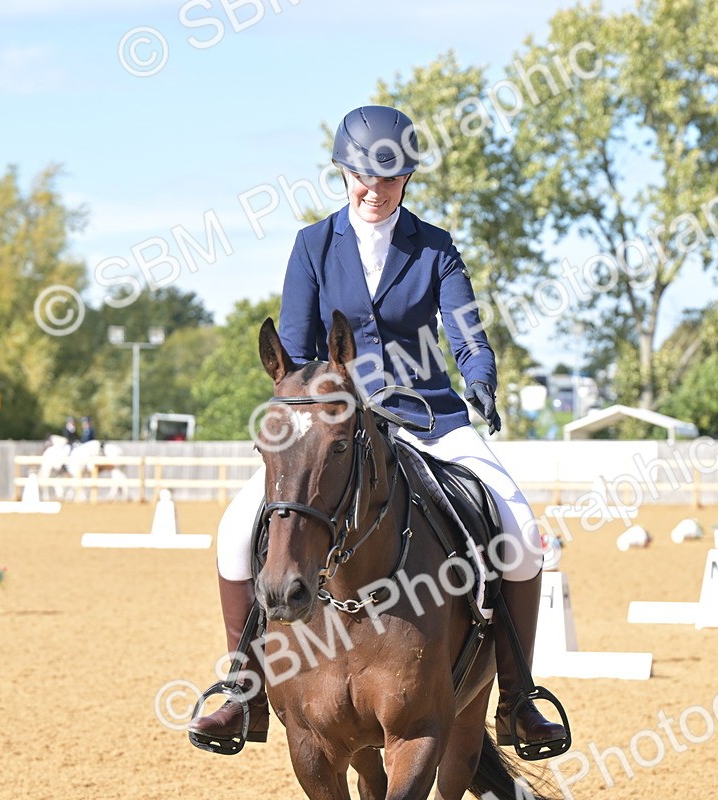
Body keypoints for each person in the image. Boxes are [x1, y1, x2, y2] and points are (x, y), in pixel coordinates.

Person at [190, 105, 566, 753]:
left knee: (523, 533)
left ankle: (518, 698)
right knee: (234, 530)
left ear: (407, 180)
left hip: (426, 415)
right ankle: (242, 688)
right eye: (365, 175)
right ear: (343, 171)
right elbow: (300, 346)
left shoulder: (435, 246)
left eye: (390, 179)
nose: (376, 189)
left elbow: (465, 330)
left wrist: (479, 373)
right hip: (336, 423)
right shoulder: (313, 246)